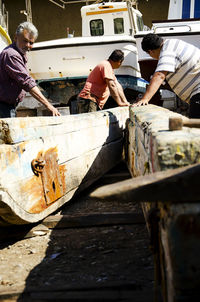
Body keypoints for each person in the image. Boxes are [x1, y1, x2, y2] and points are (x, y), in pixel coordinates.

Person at [0, 21, 60, 118]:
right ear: (15, 38)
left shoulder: (19, 54)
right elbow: (26, 82)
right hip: (3, 107)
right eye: (25, 41)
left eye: (31, 43)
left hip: (8, 106)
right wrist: (49, 105)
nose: (28, 45)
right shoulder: (11, 55)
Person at [133, 33, 200, 118]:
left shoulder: (166, 51)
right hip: (197, 90)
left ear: (150, 51)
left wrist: (145, 99)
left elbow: (159, 75)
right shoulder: (172, 43)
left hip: (198, 90)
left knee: (196, 125)